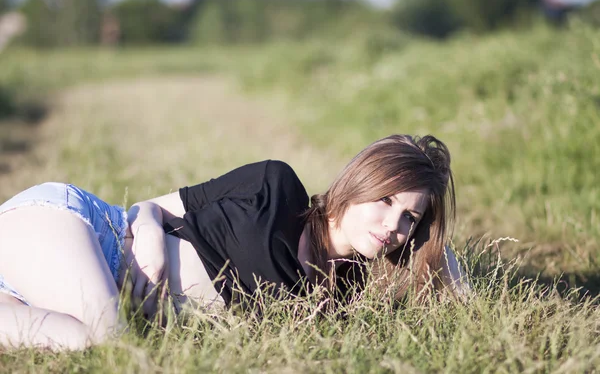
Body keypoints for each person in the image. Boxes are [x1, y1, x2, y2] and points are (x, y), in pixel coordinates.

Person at [0, 134, 468, 350]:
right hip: (85, 231)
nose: (392, 224)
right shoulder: (276, 186)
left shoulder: (345, 291)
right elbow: (149, 207)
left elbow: (458, 299)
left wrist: (430, 236)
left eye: (409, 217)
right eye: (384, 200)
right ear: (358, 182)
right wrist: (147, 235)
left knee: (85, 342)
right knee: (112, 343)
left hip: (58, 284)